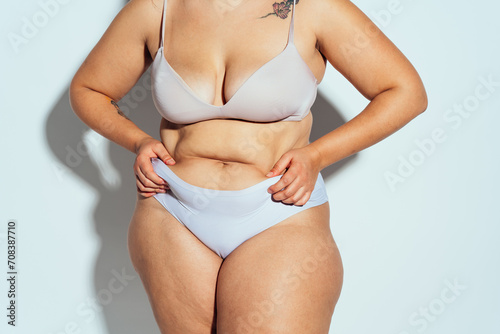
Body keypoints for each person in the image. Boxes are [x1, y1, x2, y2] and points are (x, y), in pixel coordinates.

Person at [69, 0, 427, 332]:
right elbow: (89, 89)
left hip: (278, 212)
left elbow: (405, 92)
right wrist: (138, 141)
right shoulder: (156, 8)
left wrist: (316, 155)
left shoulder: (314, 8)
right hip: (171, 209)